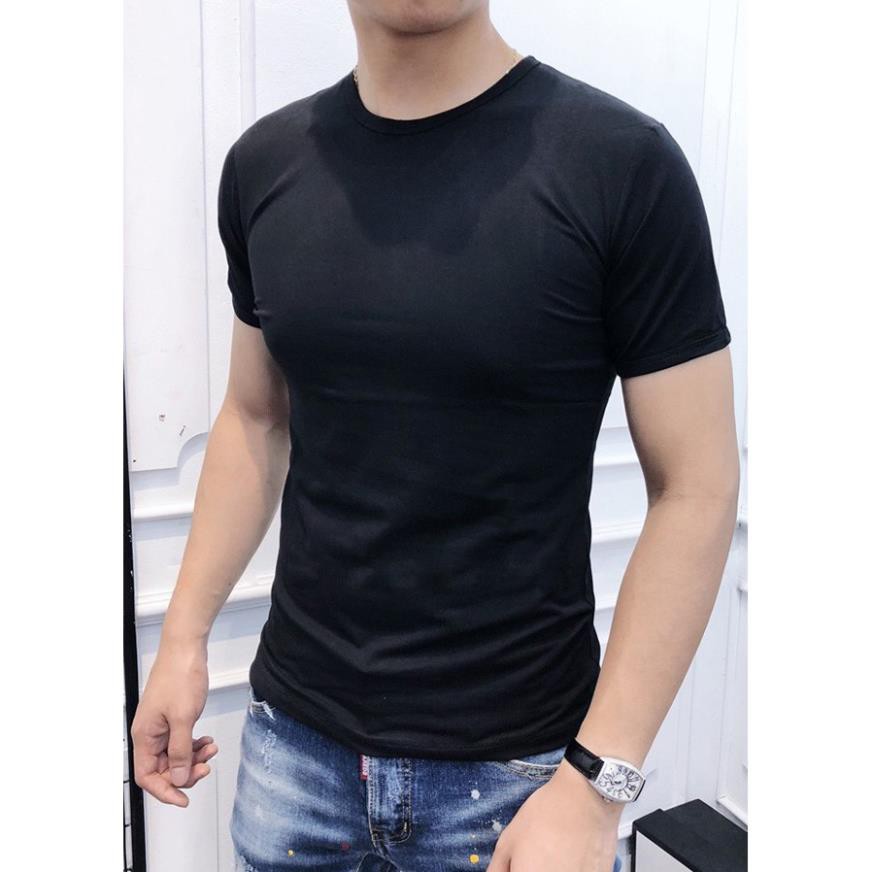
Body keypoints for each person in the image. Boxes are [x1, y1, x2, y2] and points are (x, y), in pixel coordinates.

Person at [131, 2, 739, 870]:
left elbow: (698, 485)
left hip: (520, 779)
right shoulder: (264, 164)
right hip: (292, 755)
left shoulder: (623, 165)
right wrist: (183, 638)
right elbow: (255, 416)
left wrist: (595, 786)